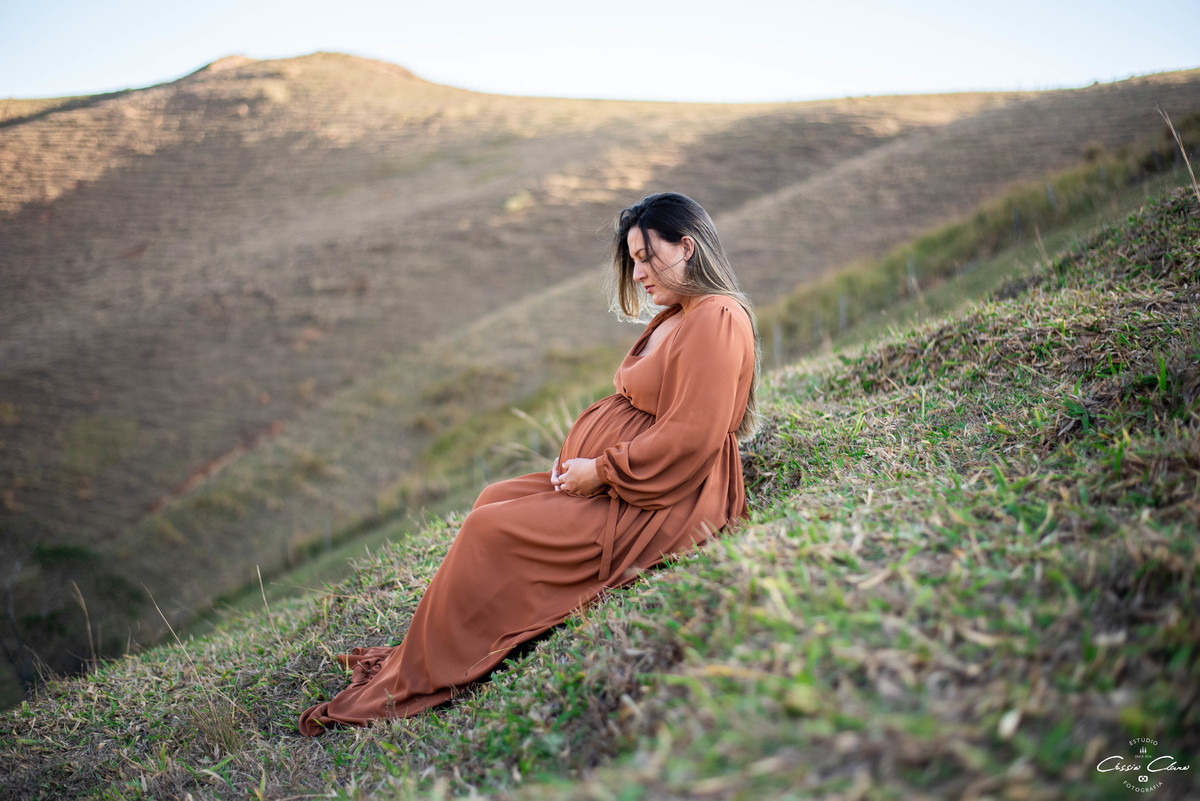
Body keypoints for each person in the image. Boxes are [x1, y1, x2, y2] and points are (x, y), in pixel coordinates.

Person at [299, 192, 760, 736]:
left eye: (645, 257)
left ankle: (428, 672)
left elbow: (692, 435)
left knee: (488, 529)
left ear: (686, 247)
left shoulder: (717, 317)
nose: (637, 274)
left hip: (662, 498)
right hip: (631, 482)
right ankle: (434, 646)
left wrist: (602, 471)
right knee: (493, 498)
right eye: (632, 260)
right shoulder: (683, 313)